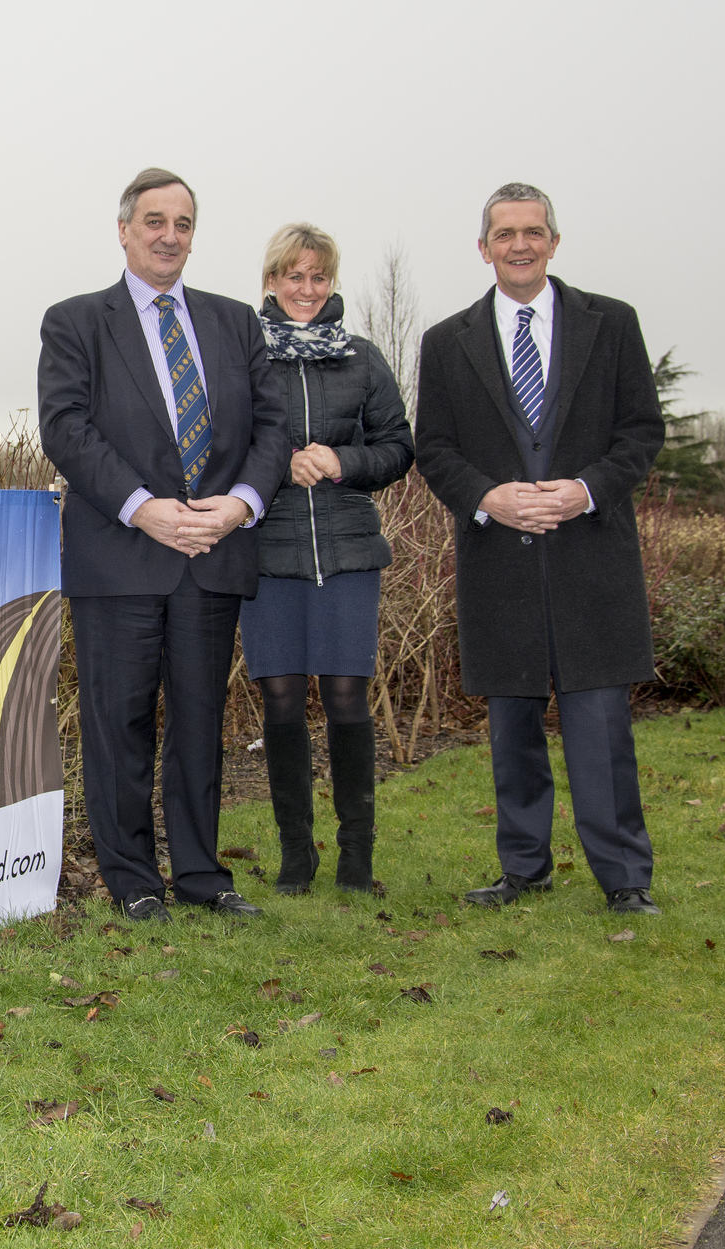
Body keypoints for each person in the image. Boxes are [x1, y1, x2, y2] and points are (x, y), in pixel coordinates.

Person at [38, 168, 291, 923]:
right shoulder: (77, 322)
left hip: (212, 556)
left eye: (182, 223)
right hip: (121, 556)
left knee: (199, 720)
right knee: (117, 724)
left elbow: (272, 429)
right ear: (124, 230)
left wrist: (240, 505)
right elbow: (66, 428)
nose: (168, 236)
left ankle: (202, 876)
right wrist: (143, 508)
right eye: (154, 221)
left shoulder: (237, 322)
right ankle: (132, 878)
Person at [414, 182, 666, 916]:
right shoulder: (446, 342)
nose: (519, 245)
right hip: (499, 565)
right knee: (513, 730)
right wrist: (487, 497)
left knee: (600, 731)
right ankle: (523, 869)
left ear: (554, 241)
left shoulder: (611, 324)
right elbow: (434, 448)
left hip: (592, 558)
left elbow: (641, 433)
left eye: (533, 231)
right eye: (505, 234)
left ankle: (625, 879)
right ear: (484, 247)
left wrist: (585, 489)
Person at [242, 223, 414, 896]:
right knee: (281, 702)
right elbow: (218, 449)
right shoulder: (244, 359)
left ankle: (356, 860)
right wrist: (276, 464)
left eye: (318, 277)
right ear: (272, 280)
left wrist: (344, 461)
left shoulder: (364, 360)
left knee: (346, 698)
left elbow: (398, 447)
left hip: (347, 552)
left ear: (331, 282)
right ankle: (295, 859)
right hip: (268, 553)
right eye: (294, 275)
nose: (306, 288)